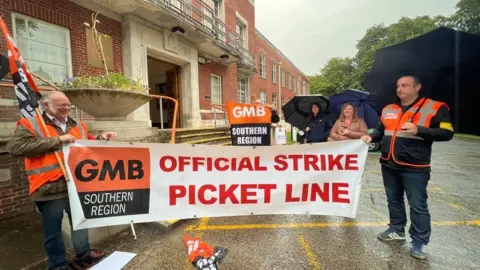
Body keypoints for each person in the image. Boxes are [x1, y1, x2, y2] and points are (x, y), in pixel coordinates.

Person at [6, 91, 117, 270]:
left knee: (80, 223)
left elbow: (84, 145)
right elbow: (15, 148)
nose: (66, 108)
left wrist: (100, 138)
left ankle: (83, 254)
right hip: (48, 187)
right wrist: (57, 140)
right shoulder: (31, 124)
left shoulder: (77, 125)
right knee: (53, 232)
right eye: (61, 105)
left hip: (75, 185)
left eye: (68, 105)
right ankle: (57, 265)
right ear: (46, 105)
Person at [361, 75, 454, 260]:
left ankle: (419, 242)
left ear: (417, 87)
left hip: (415, 165)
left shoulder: (434, 107)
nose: (400, 89)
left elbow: (447, 132)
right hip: (389, 162)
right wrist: (370, 137)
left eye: (405, 85)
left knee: (418, 205)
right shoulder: (389, 109)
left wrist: (419, 130)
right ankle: (397, 229)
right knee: (393, 200)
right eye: (398, 86)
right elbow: (380, 130)